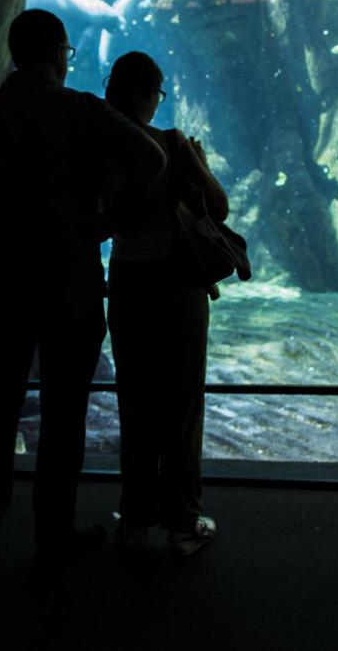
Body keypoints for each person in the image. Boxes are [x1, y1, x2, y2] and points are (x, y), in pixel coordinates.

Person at [0, 9, 164, 569]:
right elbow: (152, 157)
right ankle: (53, 529)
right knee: (65, 413)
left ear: (14, 53)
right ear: (60, 52)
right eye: (68, 54)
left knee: (0, 399)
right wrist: (112, 221)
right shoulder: (82, 110)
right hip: (71, 284)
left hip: (6, 283)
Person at [103, 51, 229, 556]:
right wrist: (197, 160)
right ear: (147, 92)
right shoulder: (171, 142)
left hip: (129, 286)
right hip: (177, 287)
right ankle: (182, 523)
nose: (159, 102)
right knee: (180, 406)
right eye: (158, 93)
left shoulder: (100, 145)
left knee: (135, 404)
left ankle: (135, 520)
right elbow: (217, 207)